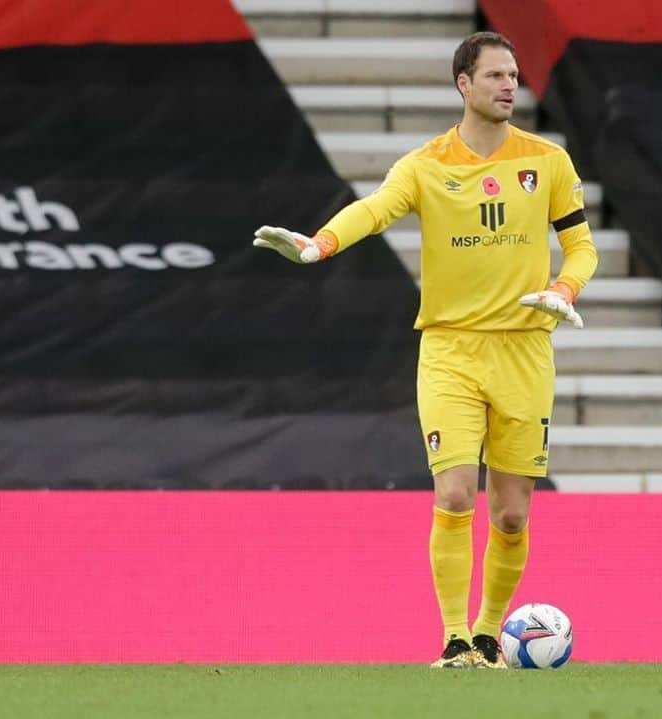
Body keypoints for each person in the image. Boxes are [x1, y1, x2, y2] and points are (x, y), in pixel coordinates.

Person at [253, 31, 597, 668]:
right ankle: (453, 638)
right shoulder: (425, 165)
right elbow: (377, 210)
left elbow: (583, 246)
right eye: (495, 75)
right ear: (463, 86)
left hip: (525, 350)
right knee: (455, 493)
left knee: (514, 515)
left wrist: (564, 287)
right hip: (450, 351)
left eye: (514, 75)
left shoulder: (547, 162)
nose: (508, 86)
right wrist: (319, 244)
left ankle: (492, 636)